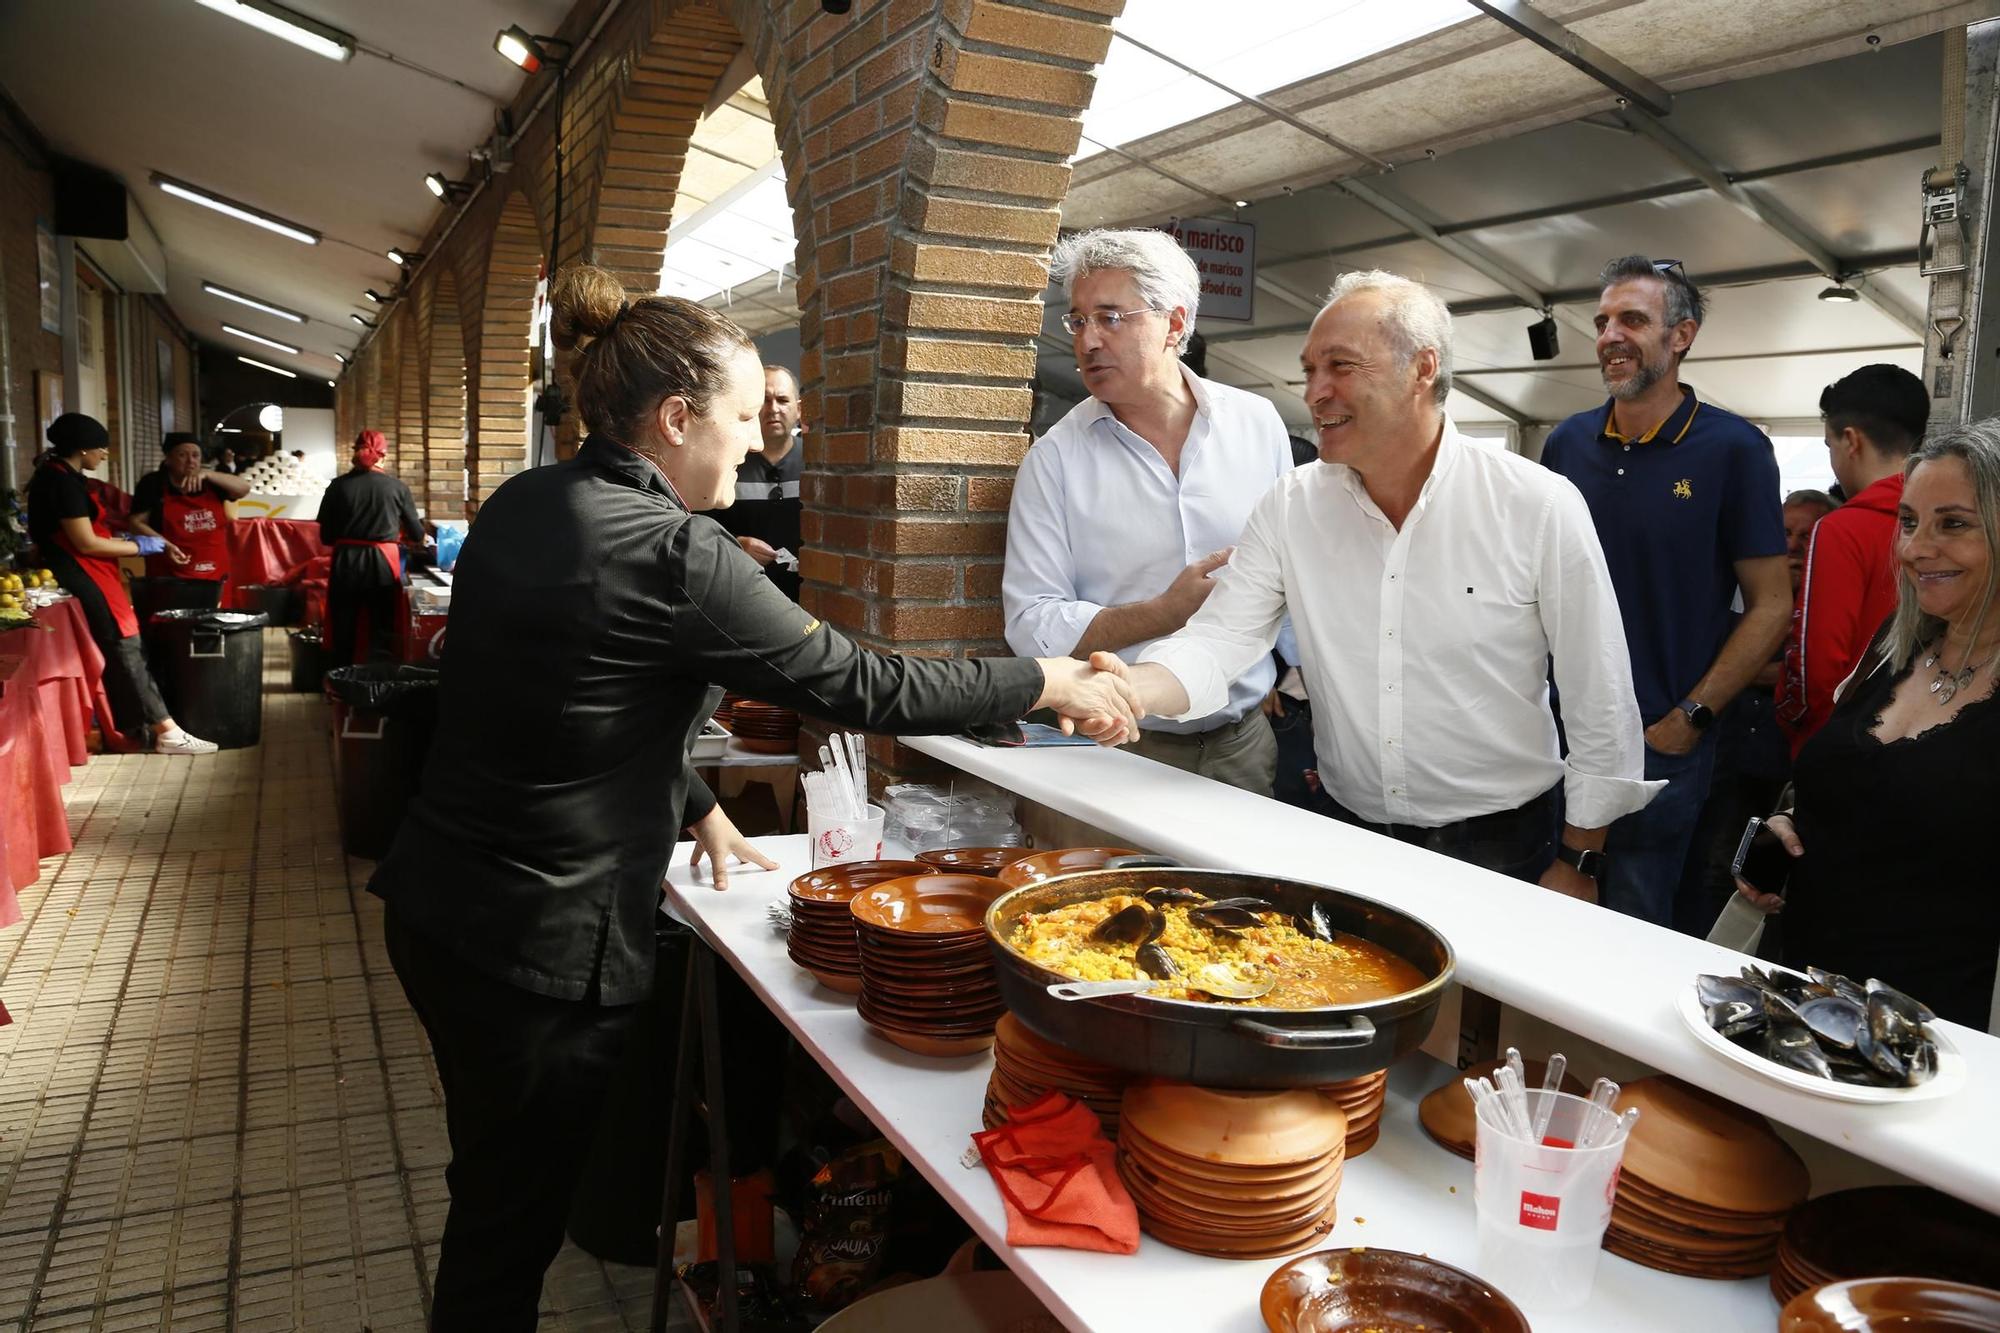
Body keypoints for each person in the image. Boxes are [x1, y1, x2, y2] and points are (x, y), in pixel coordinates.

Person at [364, 265, 1139, 1331]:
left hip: (442, 908)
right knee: (506, 1223)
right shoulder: (679, 550)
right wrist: (1046, 678)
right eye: (735, 416)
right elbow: (867, 684)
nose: (747, 437)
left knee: (490, 1184)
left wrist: (695, 803)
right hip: (537, 945)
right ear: (675, 417)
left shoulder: (526, 502)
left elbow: (561, 695)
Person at [1096, 271, 1657, 892]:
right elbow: (1220, 641)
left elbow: (1597, 695)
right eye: (1310, 370)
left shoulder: (1536, 504)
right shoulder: (1291, 505)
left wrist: (1580, 860)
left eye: (1341, 366)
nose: (1316, 393)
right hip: (1347, 833)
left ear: (1422, 369)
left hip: (1503, 843)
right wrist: (1128, 688)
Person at [1541, 256, 1789, 929]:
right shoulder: (1566, 443)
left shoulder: (1733, 448)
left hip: (1660, 744)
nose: (1609, 334)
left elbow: (1772, 603)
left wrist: (1690, 718)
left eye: (1632, 319)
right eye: (1601, 321)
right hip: (1555, 736)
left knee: (1632, 926)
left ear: (1682, 335)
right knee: (1539, 917)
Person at [1003, 228, 1294, 796]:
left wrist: (1290, 665)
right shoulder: (1054, 459)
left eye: (1111, 317)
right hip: (1110, 752)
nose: (1087, 340)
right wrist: (1161, 612)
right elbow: (1031, 625)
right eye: (1078, 319)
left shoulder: (1257, 424)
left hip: (1243, 745)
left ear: (1175, 325)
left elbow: (1292, 563)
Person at [1738, 419, 2000, 1030]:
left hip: (1933, 1039)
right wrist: (1797, 826)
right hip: (1802, 997)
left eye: (1953, 524)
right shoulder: (1893, 645)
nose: (1913, 548)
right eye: (1909, 522)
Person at [1677, 488, 1837, 935]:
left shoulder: (1827, 607)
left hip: (1788, 768)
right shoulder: (1737, 594)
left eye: (1807, 536)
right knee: (1716, 867)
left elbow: (1809, 673)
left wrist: (1740, 669)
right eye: (1784, 532)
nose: (1792, 544)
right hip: (1726, 759)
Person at [25, 414, 217, 755]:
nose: (103, 455)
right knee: (124, 646)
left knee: (122, 648)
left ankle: (133, 727)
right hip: (83, 574)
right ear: (82, 449)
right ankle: (167, 731)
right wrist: (140, 546)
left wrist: (129, 538)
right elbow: (86, 543)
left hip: (88, 571)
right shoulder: (63, 484)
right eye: (100, 448)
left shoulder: (61, 476)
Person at [1778, 364, 1929, 754]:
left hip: (1843, 746)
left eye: (1829, 446)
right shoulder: (1950, 523)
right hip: (1927, 735)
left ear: (1850, 440)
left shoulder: (1840, 529)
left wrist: (1796, 730)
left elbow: (1816, 670)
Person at [317, 430, 424, 667]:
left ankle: (340, 686)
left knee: (344, 627)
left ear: (355, 453)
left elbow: (326, 536)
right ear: (383, 456)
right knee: (382, 627)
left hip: (345, 562)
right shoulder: (397, 488)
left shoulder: (337, 486)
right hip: (382, 563)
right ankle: (376, 686)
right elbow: (417, 534)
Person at [713, 364, 804, 600]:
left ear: (799, 409)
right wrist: (737, 545)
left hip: (808, 595)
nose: (773, 409)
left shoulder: (818, 464)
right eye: (764, 400)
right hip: (743, 594)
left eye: (783, 400)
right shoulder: (728, 463)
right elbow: (701, 529)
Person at [130, 432, 251, 608]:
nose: (190, 461)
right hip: (169, 572)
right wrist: (164, 545)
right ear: (168, 458)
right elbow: (135, 523)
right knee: (173, 625)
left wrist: (209, 474)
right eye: (182, 455)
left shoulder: (213, 483)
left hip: (213, 572)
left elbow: (243, 488)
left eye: (195, 455)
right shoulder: (152, 483)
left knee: (215, 623)